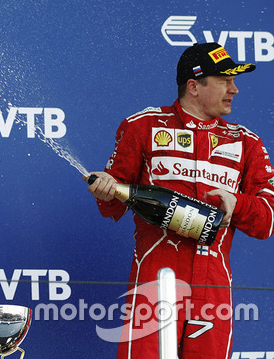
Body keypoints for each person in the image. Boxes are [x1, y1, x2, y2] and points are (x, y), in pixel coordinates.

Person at [86, 42, 274, 359]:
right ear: (193, 86)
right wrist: (105, 189)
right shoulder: (142, 126)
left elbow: (267, 221)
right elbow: (112, 203)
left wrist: (236, 205)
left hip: (213, 290)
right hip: (155, 282)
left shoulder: (247, 142)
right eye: (225, 80)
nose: (235, 89)